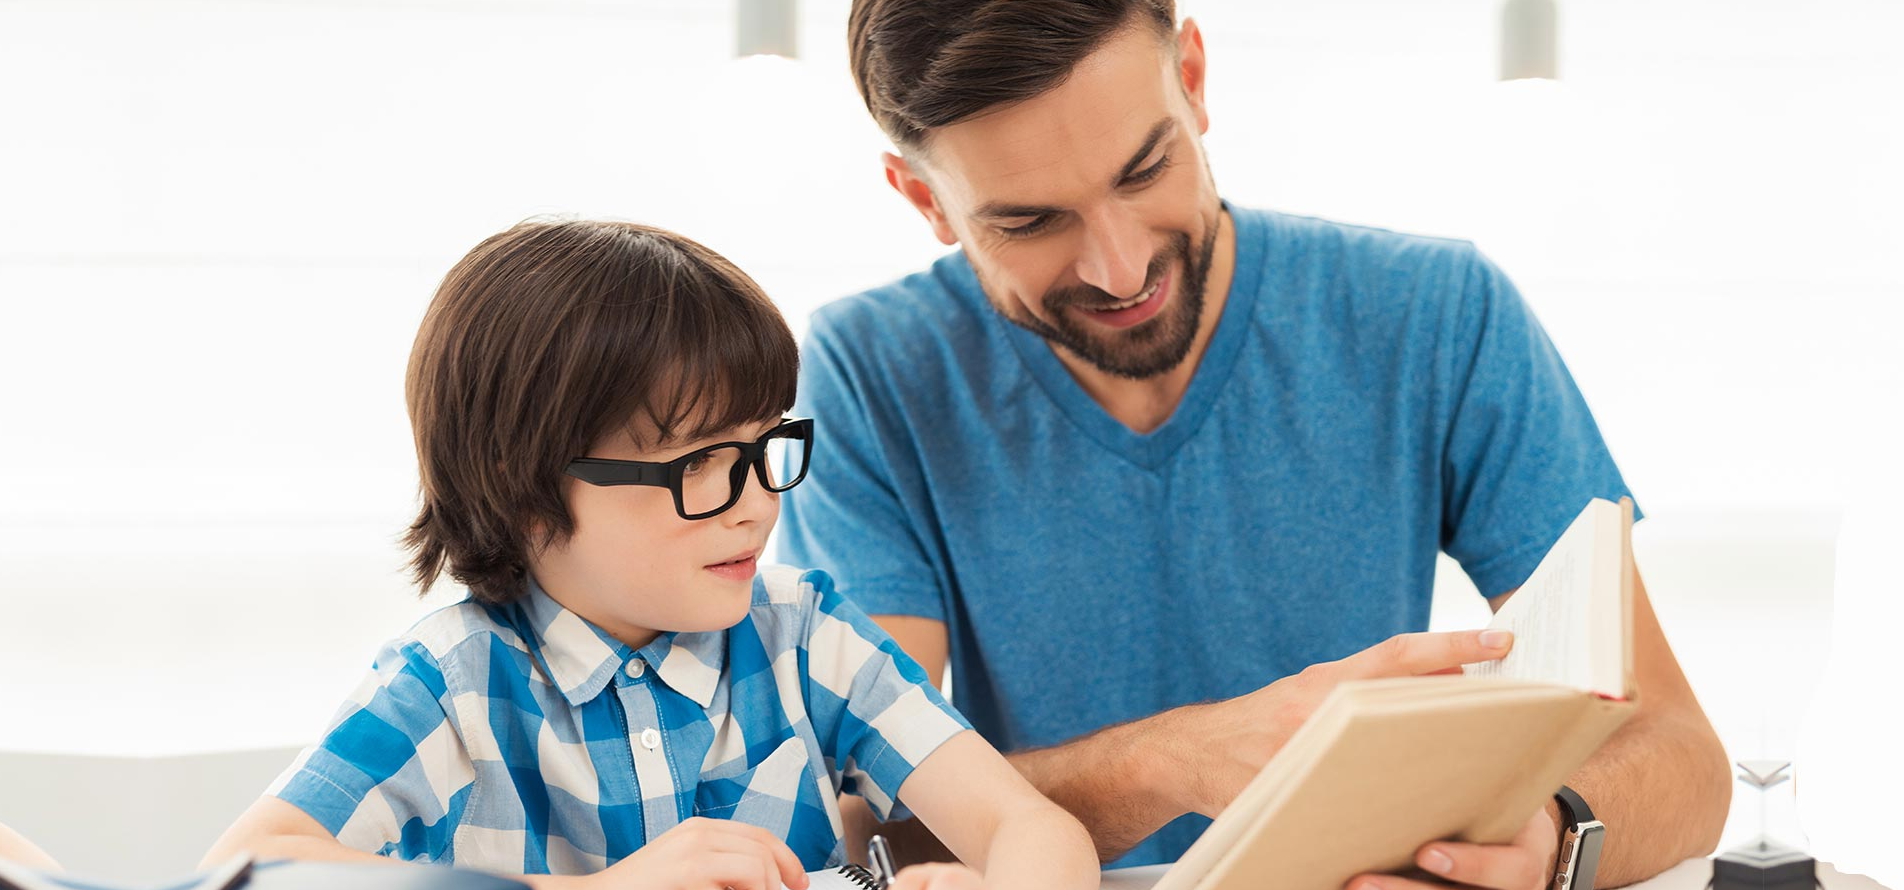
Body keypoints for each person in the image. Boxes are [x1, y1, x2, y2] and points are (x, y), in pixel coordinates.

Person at [777, 2, 1732, 888]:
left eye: (1144, 170)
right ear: (924, 199)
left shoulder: (1437, 316)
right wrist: (1172, 762)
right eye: (1029, 221)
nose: (1121, 268)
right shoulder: (874, 374)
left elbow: (1679, 756)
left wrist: (1553, 836)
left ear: (1192, 79)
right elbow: (860, 823)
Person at [202, 219, 1097, 890]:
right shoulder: (453, 682)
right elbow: (248, 866)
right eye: (701, 462)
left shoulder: (805, 634)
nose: (754, 506)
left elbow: (1032, 829)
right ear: (526, 486)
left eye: (763, 448)